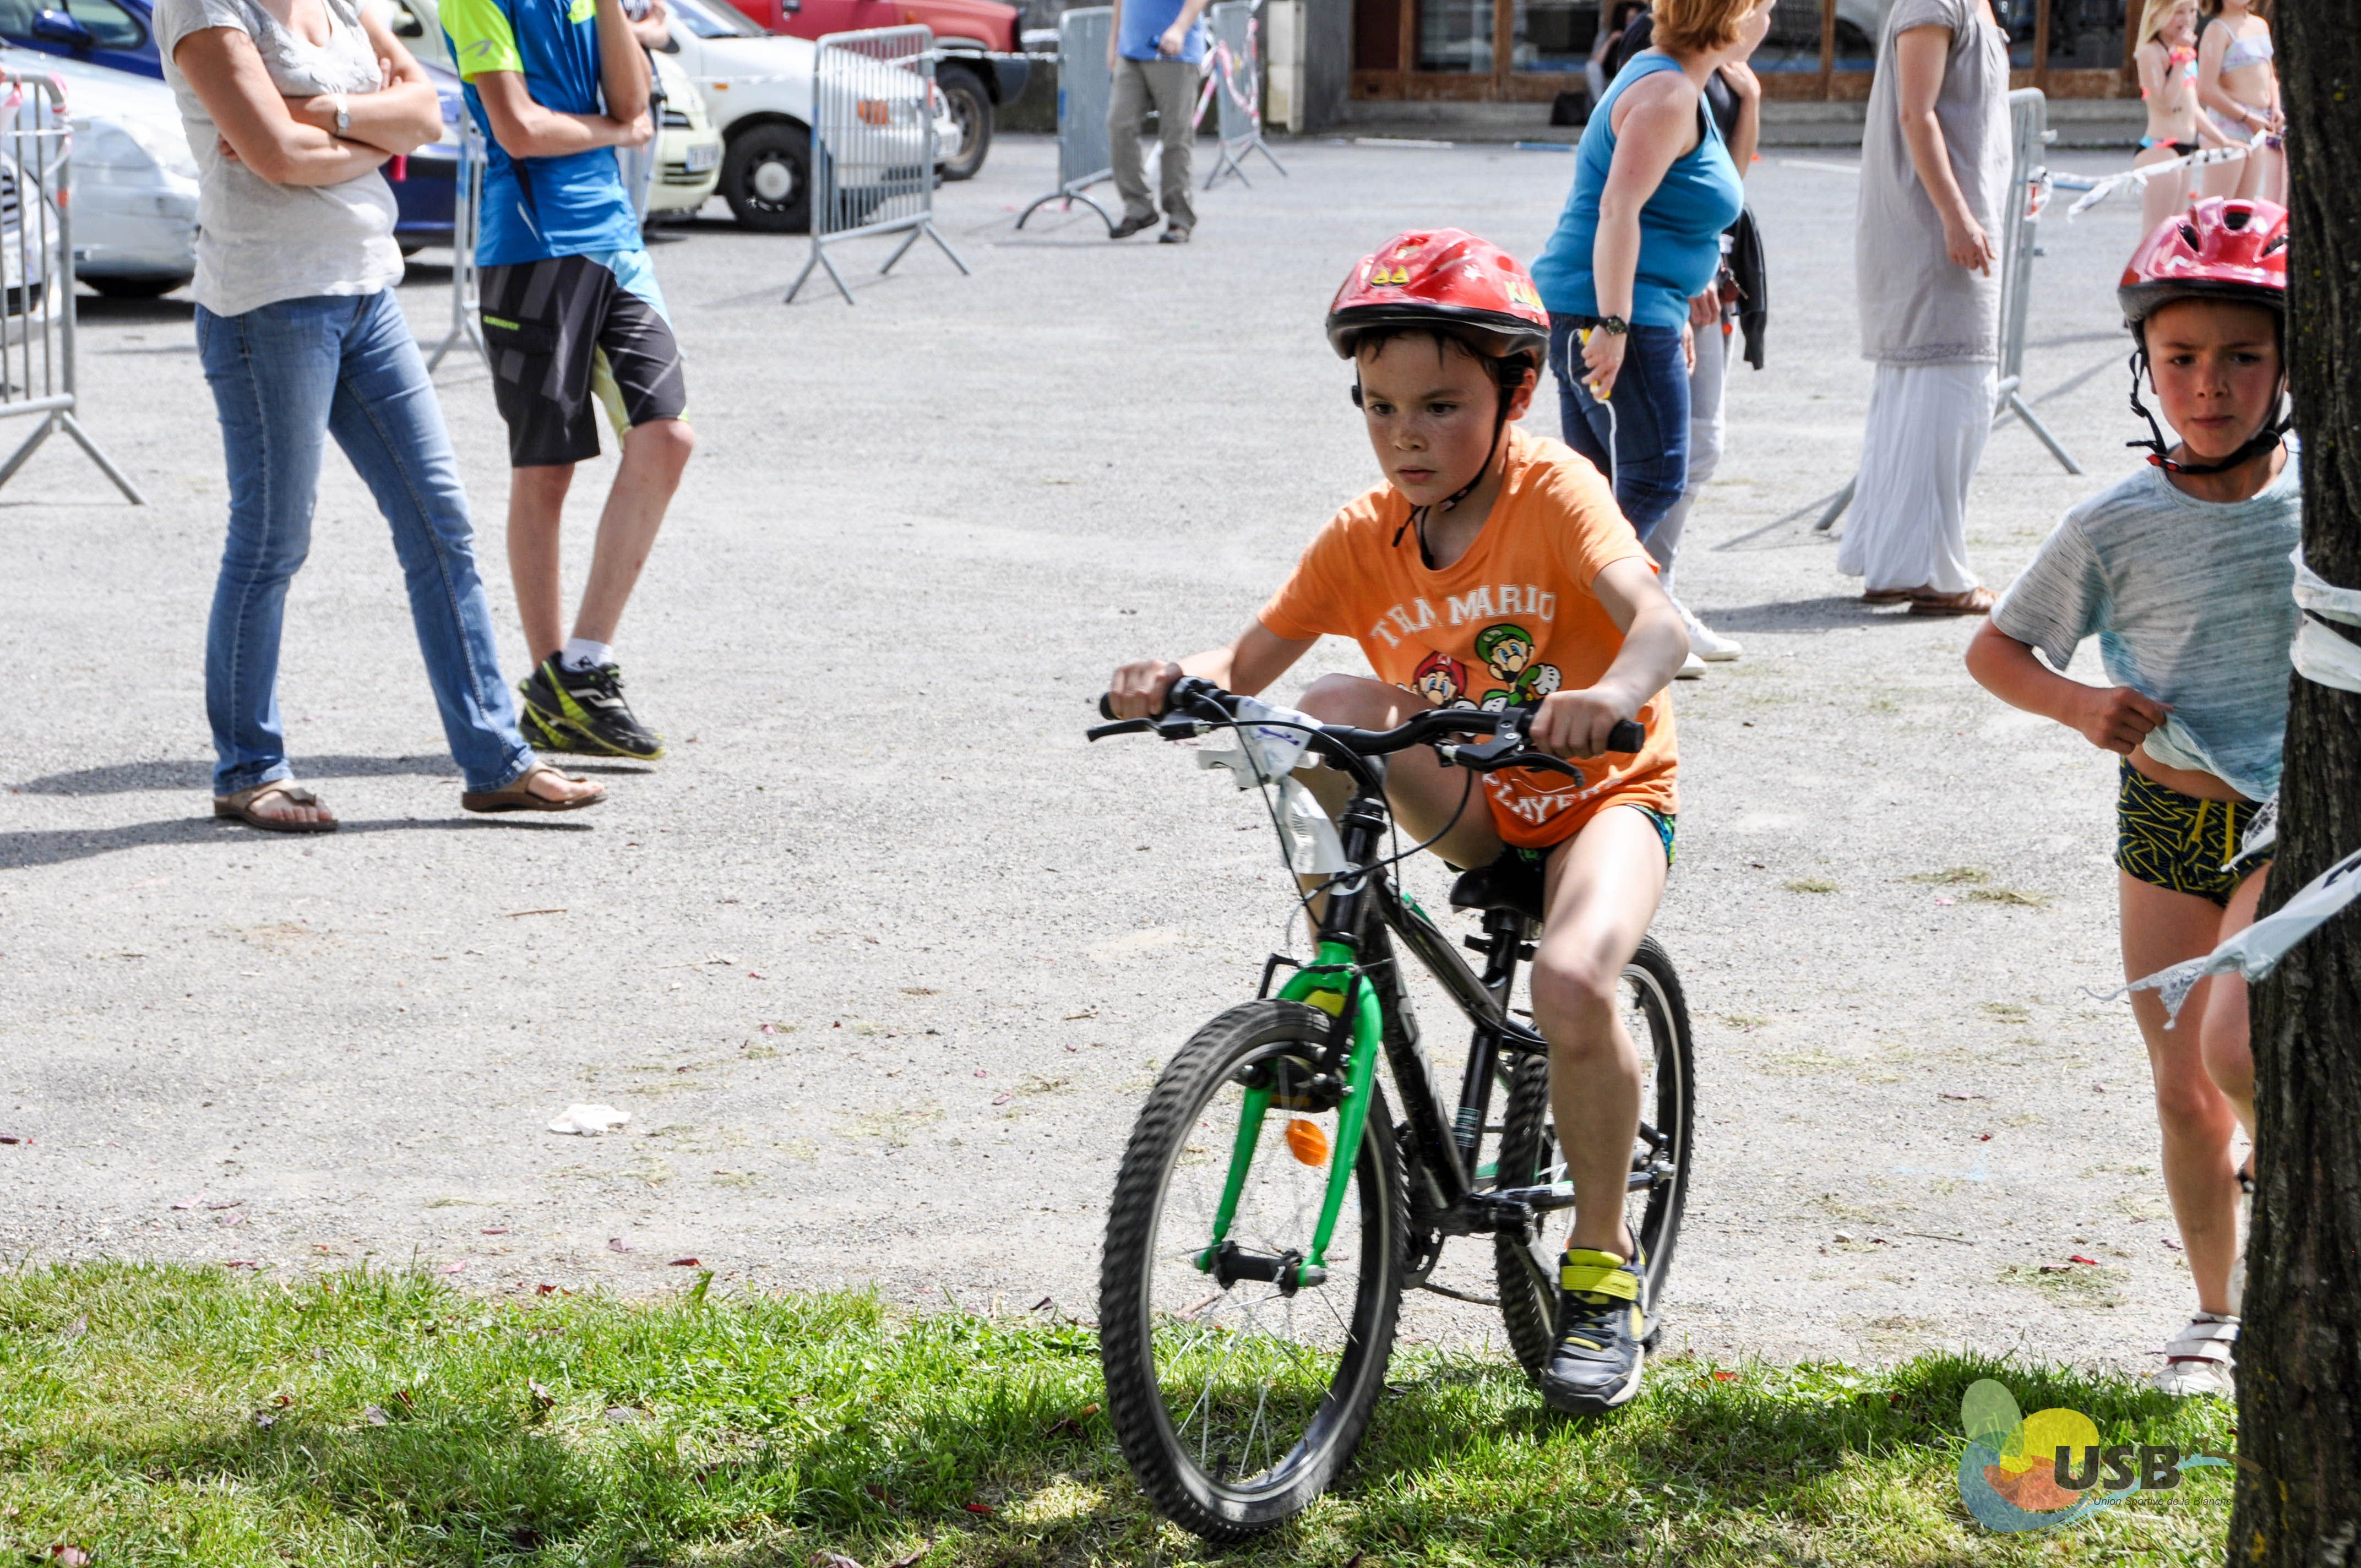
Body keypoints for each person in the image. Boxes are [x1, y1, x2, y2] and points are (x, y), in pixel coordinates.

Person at [1105, 230, 1690, 1413]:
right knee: (1321, 709)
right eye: (1378, 408)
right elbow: (1245, 662)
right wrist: (1173, 678)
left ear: (1512, 396)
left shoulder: (1553, 492)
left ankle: (1598, 1267)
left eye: (1438, 406)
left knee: (1571, 979)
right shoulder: (1359, 533)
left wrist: (1613, 691)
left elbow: (1658, 622)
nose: (1404, 436)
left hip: (1600, 796)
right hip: (1474, 799)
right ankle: (1344, 974)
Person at [1965, 199, 2295, 1397]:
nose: (2209, 384)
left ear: (2289, 364)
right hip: (2160, 823)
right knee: (2181, 1090)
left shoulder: (2322, 502)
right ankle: (2217, 1312)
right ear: (2143, 366)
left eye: (2242, 356)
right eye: (2180, 356)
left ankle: (2294, 1166)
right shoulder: (2111, 522)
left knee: (2230, 1042)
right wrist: (2074, 704)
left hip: (2284, 818)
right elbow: (1995, 650)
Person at [159, 0, 606, 830]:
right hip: (268, 304)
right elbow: (276, 156)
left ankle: (496, 762)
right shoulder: (204, 8)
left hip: (368, 292)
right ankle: (248, 769)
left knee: (441, 526)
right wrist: (372, 132)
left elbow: (428, 114)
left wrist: (324, 115)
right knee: (272, 541)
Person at [445, 0, 696, 763]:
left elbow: (632, 99)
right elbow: (520, 130)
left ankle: (584, 666)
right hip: (530, 248)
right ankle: (553, 685)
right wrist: (616, 133)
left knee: (667, 438)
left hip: (616, 242)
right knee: (547, 469)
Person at [1530, 0, 1770, 570]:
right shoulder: (1668, 94)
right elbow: (1618, 210)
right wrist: (1615, 324)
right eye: (1764, 9)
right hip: (1610, 312)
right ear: (1734, 20)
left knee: (1601, 489)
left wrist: (1672, 307)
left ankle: (1578, 604)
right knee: (1654, 478)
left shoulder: (1678, 82)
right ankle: (1565, 597)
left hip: (1626, 308)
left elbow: (1675, 210)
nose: (1768, 23)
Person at [1597, 0, 1769, 677]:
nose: (1770, 19)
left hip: (1703, 272)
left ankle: (1654, 592)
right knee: (1664, 457)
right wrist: (1679, 274)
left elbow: (1729, 183)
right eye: (1764, 7)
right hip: (1658, 286)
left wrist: (1749, 98)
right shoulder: (1662, 47)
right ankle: (1634, 599)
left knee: (1697, 445)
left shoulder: (1726, 72)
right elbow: (1632, 189)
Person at [1837, 0, 2010, 615]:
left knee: (1922, 393)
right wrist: (1956, 215)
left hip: (1948, 218)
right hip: (1933, 226)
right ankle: (1932, 571)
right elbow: (1916, 113)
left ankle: (1898, 563)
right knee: (1952, 392)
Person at [1105, 0, 1208, 243]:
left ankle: (1180, 216)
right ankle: (1139, 207)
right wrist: (1114, 42)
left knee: (1176, 136)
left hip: (1177, 54)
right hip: (1131, 51)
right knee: (1119, 126)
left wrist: (1179, 29)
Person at [2132, 0, 2233, 235]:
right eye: (2178, 12)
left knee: (2177, 231)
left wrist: (2224, 140)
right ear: (2158, 14)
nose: (2187, 19)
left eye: (2192, 12)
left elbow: (2192, 109)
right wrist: (2179, 59)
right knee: (2156, 233)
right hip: (2161, 149)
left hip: (2186, 148)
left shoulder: (2186, 54)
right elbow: (2166, 103)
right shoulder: (2150, 52)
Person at [2194, 0, 2281, 203]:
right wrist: (2246, 117)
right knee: (2218, 207)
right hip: (2229, 126)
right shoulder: (2217, 30)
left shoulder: (2261, 25)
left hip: (2259, 125)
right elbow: (2206, 89)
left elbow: (2270, 75)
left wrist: (2276, 107)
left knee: (2244, 209)